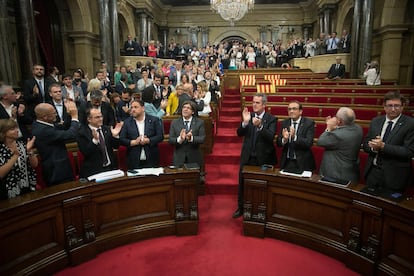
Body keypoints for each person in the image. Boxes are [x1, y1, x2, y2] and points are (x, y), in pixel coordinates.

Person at [234, 93, 277, 218]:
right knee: (242, 182)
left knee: (261, 185)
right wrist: (245, 123)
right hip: (247, 156)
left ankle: (260, 209)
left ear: (264, 105)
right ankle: (241, 208)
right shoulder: (249, 116)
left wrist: (260, 126)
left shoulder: (271, 119)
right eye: (253, 102)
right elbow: (239, 133)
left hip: (263, 158)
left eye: (257, 102)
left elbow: (270, 137)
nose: (254, 104)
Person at [363, 91, 414, 194]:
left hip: (395, 176)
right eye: (390, 106)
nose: (393, 109)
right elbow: (365, 144)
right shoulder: (376, 121)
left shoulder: (410, 124)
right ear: (384, 107)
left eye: (397, 106)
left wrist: (383, 147)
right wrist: (373, 147)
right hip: (373, 172)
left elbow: (409, 151)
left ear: (403, 106)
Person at [31, 102, 79, 186]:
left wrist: (69, 115)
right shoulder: (43, 130)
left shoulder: (40, 124)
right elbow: (70, 134)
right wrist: (75, 118)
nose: (56, 115)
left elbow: (62, 127)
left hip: (57, 168)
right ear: (45, 117)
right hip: (57, 172)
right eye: (54, 113)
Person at [317, 107, 363, 184]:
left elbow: (321, 141)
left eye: (336, 117)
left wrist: (328, 128)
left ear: (339, 121)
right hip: (351, 173)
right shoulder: (358, 129)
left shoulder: (337, 135)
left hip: (336, 175)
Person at [77, 108, 122, 178]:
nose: (101, 119)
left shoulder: (106, 129)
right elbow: (85, 152)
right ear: (89, 119)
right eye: (97, 117)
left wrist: (115, 136)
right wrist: (95, 140)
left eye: (101, 116)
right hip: (94, 171)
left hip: (110, 169)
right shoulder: (82, 133)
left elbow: (116, 146)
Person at [120, 100, 164, 169]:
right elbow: (122, 139)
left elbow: (160, 136)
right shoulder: (127, 122)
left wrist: (148, 140)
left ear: (143, 108)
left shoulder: (154, 120)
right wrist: (133, 142)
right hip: (134, 159)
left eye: (136, 107)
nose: (133, 110)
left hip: (151, 157)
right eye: (131, 108)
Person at [0, 119, 37, 200]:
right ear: (3, 133)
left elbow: (34, 165)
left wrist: (29, 151)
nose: (17, 130)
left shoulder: (22, 144)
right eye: (12, 129)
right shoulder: (1, 149)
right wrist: (15, 156)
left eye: (16, 128)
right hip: (7, 190)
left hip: (27, 186)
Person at [276, 101, 315, 173]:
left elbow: (308, 143)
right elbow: (278, 142)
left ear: (300, 111)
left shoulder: (309, 123)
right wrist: (284, 139)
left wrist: (295, 137)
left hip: (303, 162)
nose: (291, 111)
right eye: (289, 109)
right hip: (287, 161)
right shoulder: (285, 123)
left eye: (294, 109)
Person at [168, 100, 205, 167]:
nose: (185, 109)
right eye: (184, 107)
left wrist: (191, 138)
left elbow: (202, 139)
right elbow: (170, 140)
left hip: (194, 157)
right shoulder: (175, 122)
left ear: (193, 112)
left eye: (188, 108)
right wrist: (180, 139)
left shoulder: (199, 122)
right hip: (179, 157)